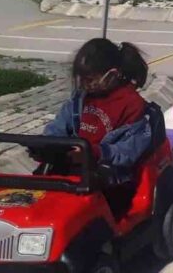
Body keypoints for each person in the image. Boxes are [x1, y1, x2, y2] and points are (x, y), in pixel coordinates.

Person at [43, 39, 154, 217]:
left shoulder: (132, 105)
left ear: (112, 74)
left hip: (110, 175)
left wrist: (94, 153)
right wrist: (48, 145)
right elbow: (59, 126)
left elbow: (128, 152)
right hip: (74, 166)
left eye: (89, 80)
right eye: (81, 79)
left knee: (83, 209)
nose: (84, 85)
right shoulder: (81, 98)